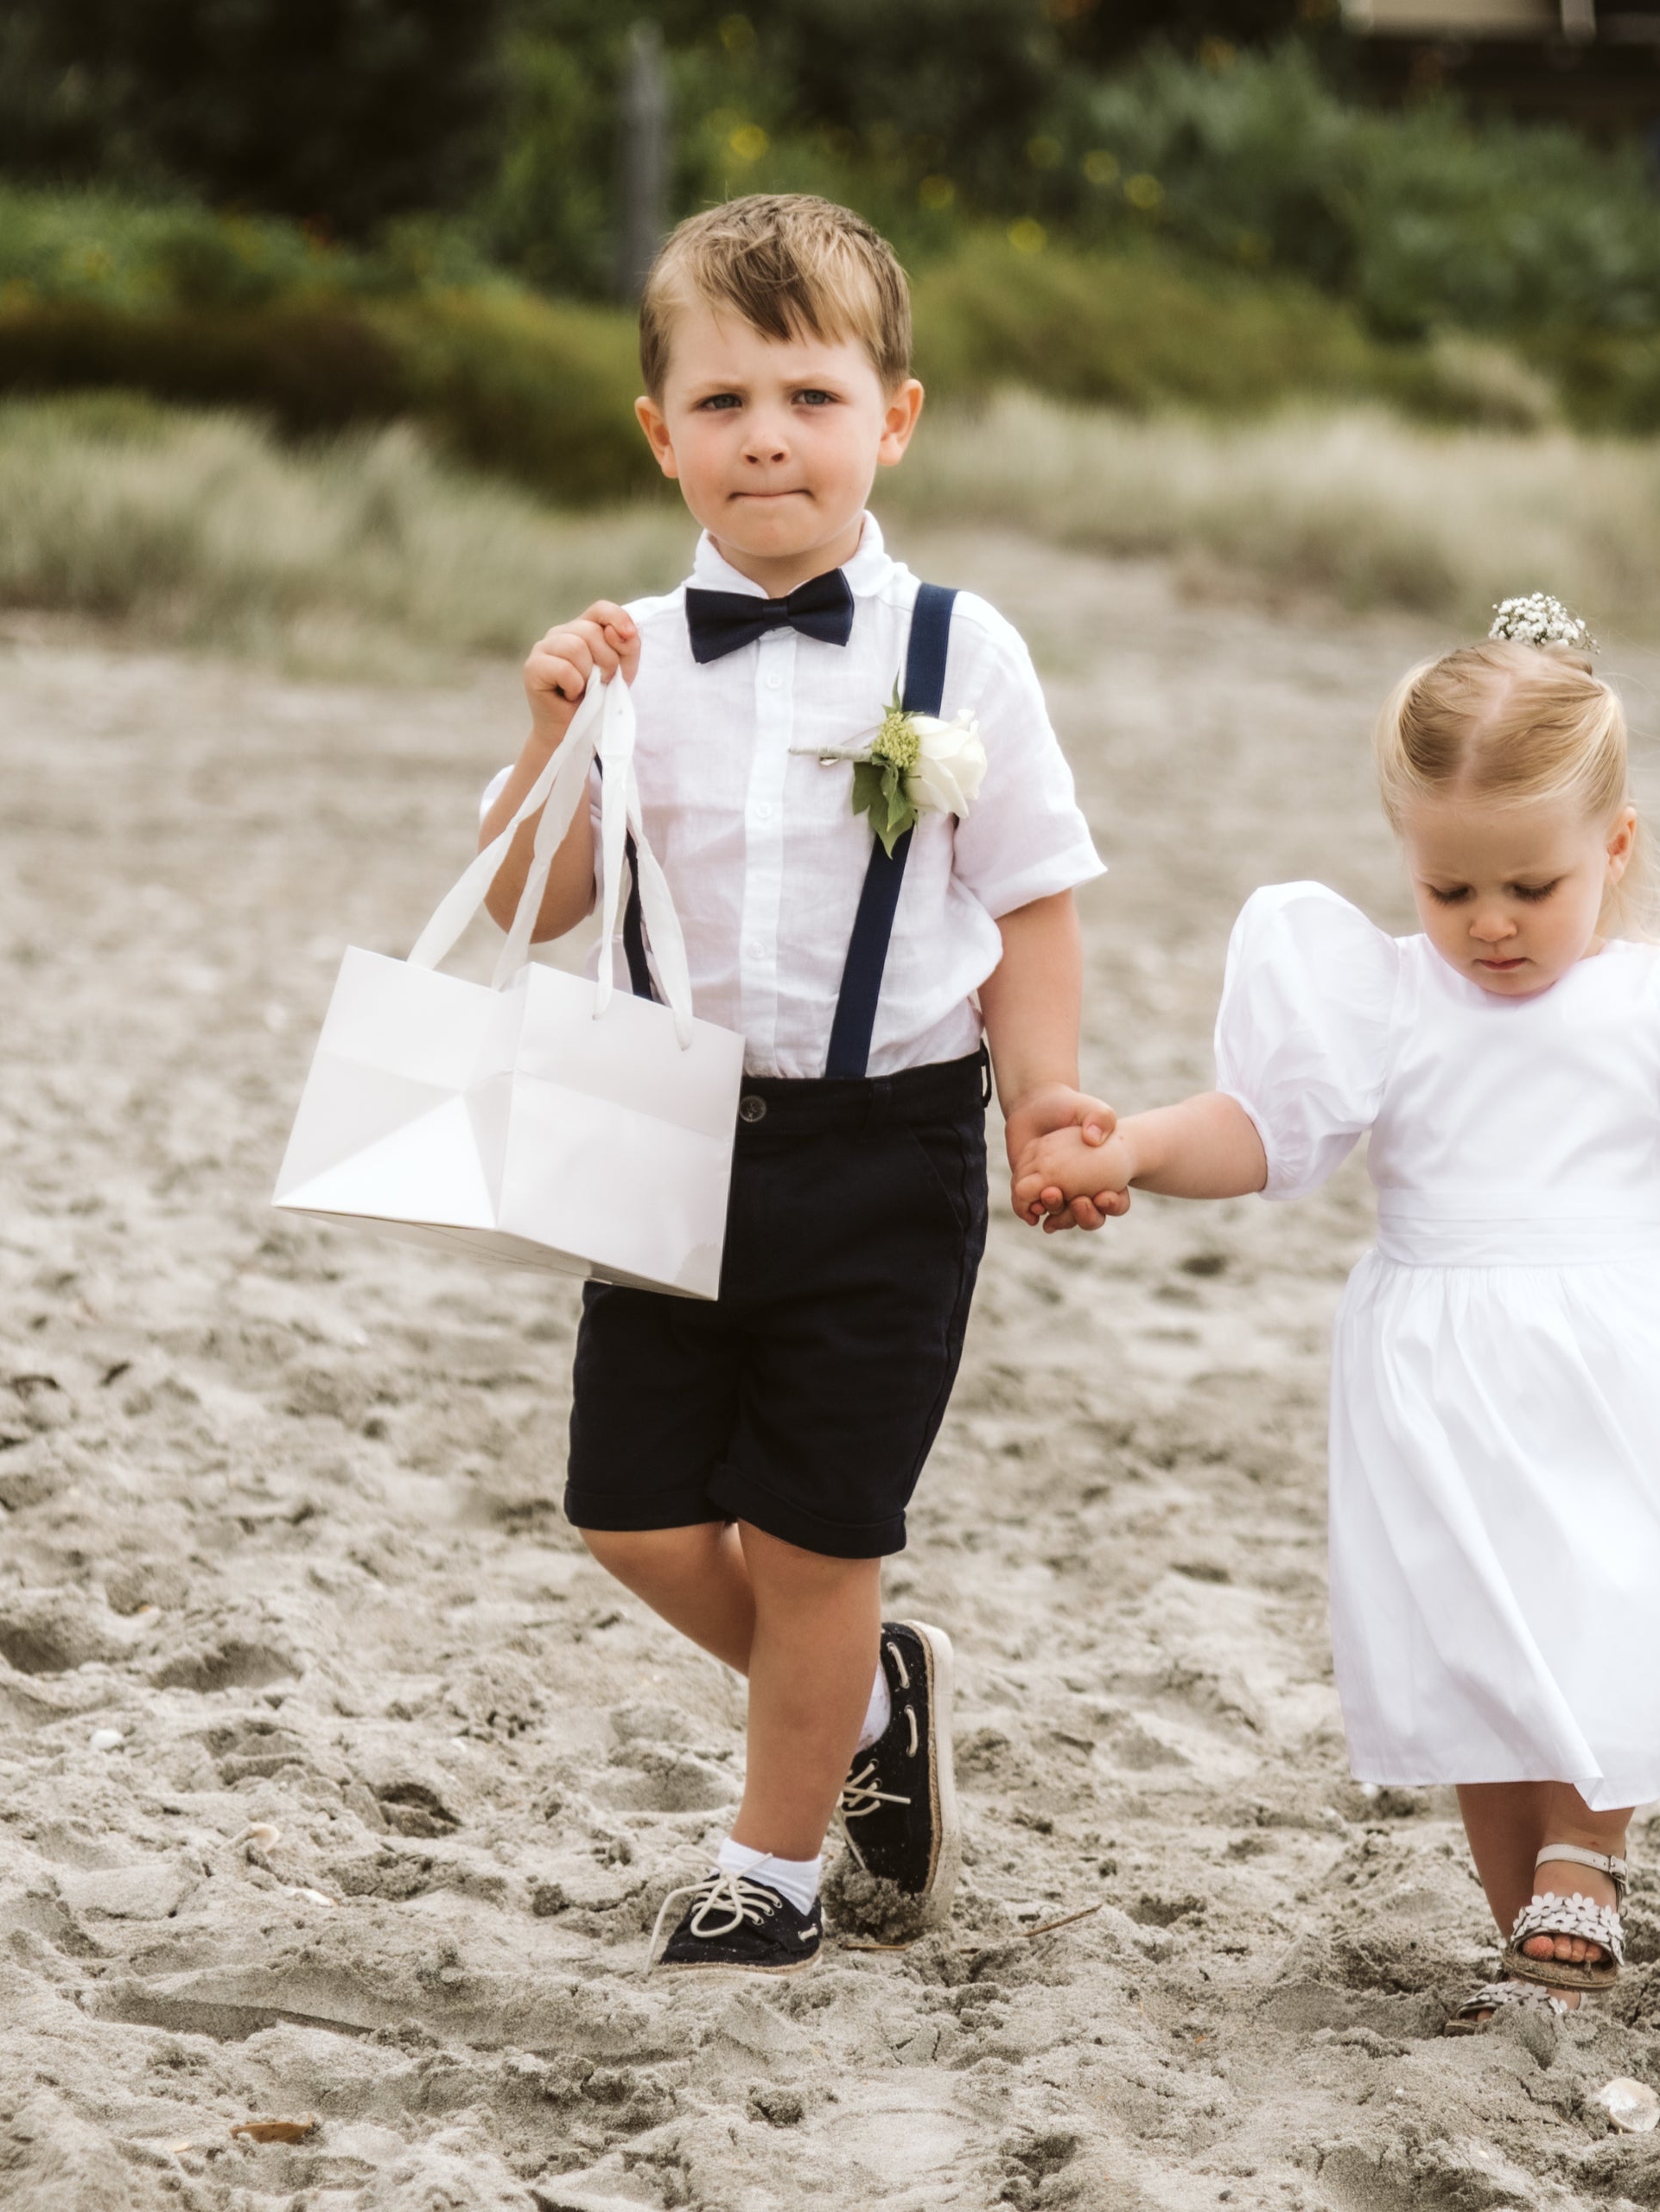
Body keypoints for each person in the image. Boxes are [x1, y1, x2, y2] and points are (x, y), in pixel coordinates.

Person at [1012, 594, 1660, 2031]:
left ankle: (1590, 1850)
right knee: (1481, 1649)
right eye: (1450, 892)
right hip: (1438, 1371)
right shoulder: (1384, 1000)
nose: (1490, 924)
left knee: (1615, 1596)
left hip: (1621, 1362)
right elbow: (1261, 1131)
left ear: (1612, 851)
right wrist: (1130, 1146)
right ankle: (1536, 1938)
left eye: (1529, 888)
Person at [480, 194, 1121, 1975]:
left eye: (812, 397)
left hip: (886, 1147)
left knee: (819, 1535)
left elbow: (1032, 902)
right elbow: (538, 898)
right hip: (662, 1127)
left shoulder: (959, 653)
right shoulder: (627, 657)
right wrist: (546, 731)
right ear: (660, 434)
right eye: (724, 401)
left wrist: (1042, 1101)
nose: (768, 435)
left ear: (891, 419)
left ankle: (770, 1868)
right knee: (631, 1515)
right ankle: (869, 1705)